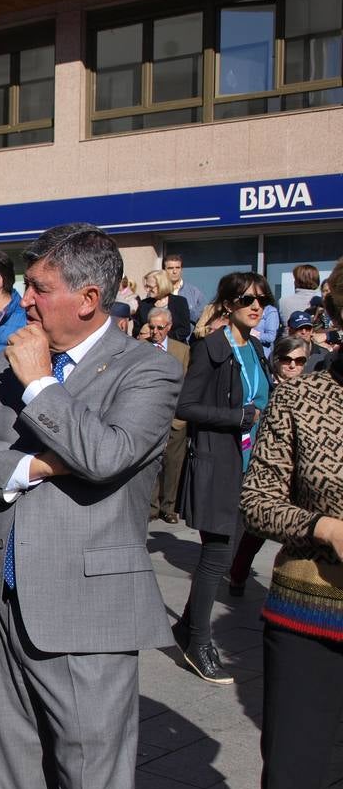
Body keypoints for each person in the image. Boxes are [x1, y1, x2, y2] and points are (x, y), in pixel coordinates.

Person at [0, 222, 181, 789]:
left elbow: (105, 456)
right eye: (25, 286)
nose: (25, 301)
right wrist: (35, 467)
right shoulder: (3, 362)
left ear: (87, 298)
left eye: (40, 289)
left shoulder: (148, 370)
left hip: (87, 616)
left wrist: (43, 385)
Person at [239, 276, 343, 789]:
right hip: (309, 614)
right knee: (292, 780)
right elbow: (257, 500)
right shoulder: (303, 398)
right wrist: (326, 528)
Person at [174, 272, 274, 684]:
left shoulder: (254, 347)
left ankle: (185, 627)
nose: (257, 307)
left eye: (263, 301)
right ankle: (199, 642)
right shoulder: (212, 346)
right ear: (229, 303)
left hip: (247, 465)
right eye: (248, 299)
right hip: (218, 463)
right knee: (217, 555)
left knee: (225, 552)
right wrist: (238, 417)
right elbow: (186, 406)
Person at [225, 335, 313, 599]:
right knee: (257, 530)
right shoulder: (267, 388)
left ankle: (292, 586)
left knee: (299, 532)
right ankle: (238, 574)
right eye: (287, 360)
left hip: (301, 470)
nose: (292, 366)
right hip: (268, 467)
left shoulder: (311, 392)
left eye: (299, 361)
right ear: (277, 361)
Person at [147, 307, 190, 524]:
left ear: (169, 327)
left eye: (160, 327)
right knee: (151, 463)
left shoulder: (182, 350)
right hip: (150, 418)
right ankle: (152, 507)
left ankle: (169, 507)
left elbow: (187, 385)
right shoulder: (141, 349)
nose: (155, 331)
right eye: (152, 327)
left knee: (173, 464)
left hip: (175, 418)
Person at [135, 268, 191, 343]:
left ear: (162, 285)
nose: (147, 290)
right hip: (149, 347)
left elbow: (185, 330)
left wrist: (163, 337)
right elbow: (136, 330)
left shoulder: (180, 302)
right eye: (146, 286)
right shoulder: (143, 304)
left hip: (174, 347)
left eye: (150, 287)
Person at [164, 252, 206, 326]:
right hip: (164, 336)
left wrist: (183, 309)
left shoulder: (194, 292)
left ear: (181, 269)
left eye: (177, 267)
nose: (174, 271)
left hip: (188, 337)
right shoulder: (157, 292)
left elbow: (202, 320)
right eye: (170, 268)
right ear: (164, 270)